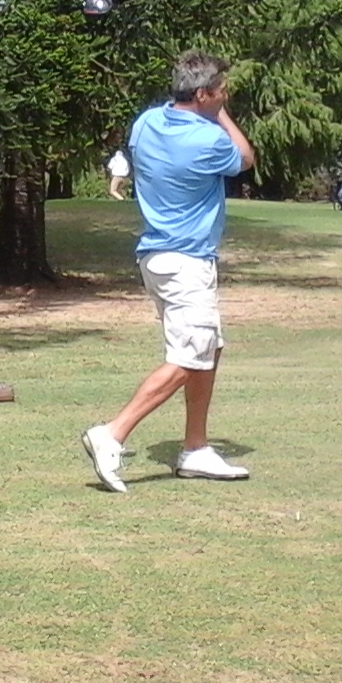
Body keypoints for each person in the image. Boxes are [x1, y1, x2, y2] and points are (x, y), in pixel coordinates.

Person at [81, 50, 255, 493]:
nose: (226, 95)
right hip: (186, 261)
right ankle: (112, 433)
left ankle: (195, 448)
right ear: (203, 95)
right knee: (189, 356)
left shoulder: (146, 123)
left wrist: (209, 108)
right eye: (221, 91)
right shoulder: (209, 140)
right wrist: (221, 115)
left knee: (209, 348)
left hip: (157, 258)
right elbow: (245, 158)